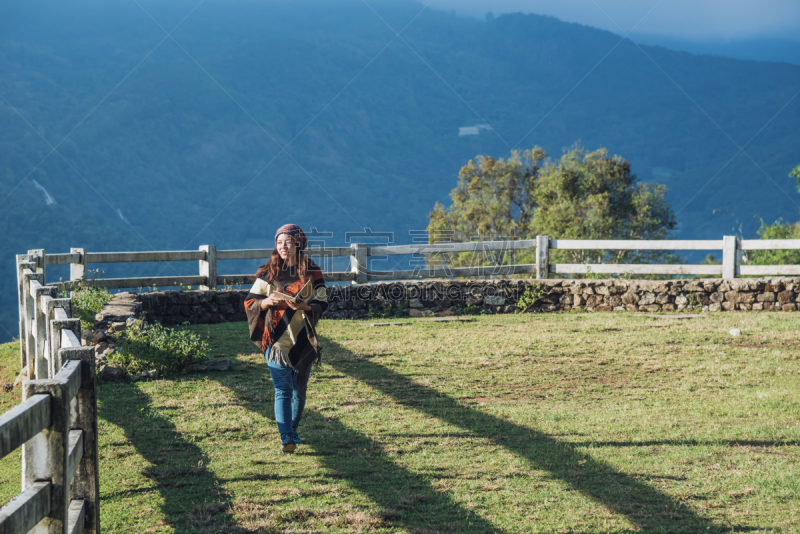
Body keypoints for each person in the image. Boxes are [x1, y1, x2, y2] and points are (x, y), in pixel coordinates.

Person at [244, 224, 327, 453]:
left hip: (302, 338)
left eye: (288, 242)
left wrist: (305, 306)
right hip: (276, 339)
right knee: (283, 389)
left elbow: (323, 301)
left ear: (299, 244)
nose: (283, 247)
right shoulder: (268, 273)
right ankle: (287, 437)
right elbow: (250, 302)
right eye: (279, 242)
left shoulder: (312, 272)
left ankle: (292, 430)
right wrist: (265, 302)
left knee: (299, 389)